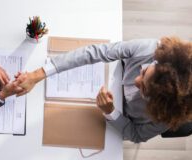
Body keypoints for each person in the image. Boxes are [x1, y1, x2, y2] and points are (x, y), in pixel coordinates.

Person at [15, 37, 192, 143]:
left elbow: (136, 135)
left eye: (144, 88)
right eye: (144, 71)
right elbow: (96, 52)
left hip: (107, 122)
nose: (136, 80)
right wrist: (37, 75)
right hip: (106, 73)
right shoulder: (150, 49)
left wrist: (111, 112)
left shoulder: (164, 118)